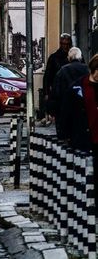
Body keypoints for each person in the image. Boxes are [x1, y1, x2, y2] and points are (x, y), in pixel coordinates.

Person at [61, 53, 98, 203]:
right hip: (84, 137)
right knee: (86, 175)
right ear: (93, 69)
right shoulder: (78, 87)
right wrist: (66, 134)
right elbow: (66, 111)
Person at [48, 46, 87, 138]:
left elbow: (56, 92)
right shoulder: (87, 70)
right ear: (80, 57)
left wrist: (52, 111)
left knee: (66, 138)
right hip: (83, 108)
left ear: (69, 58)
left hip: (66, 108)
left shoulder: (62, 71)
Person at [43, 33, 72, 108]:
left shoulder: (75, 57)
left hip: (70, 90)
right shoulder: (54, 58)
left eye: (67, 44)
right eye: (63, 44)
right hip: (58, 91)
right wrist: (46, 93)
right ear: (61, 44)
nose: (65, 46)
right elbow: (47, 76)